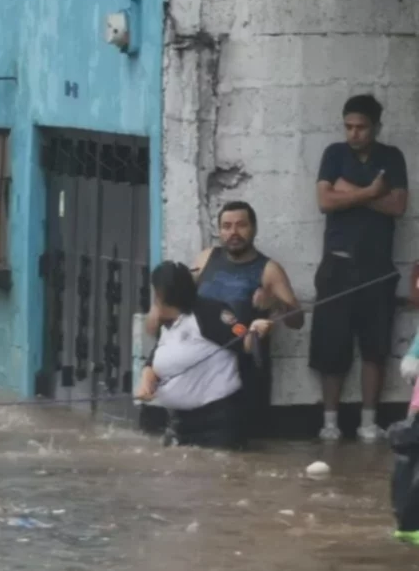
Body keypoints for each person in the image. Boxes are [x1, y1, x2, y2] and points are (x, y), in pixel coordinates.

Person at [144, 201, 304, 436]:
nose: (233, 233)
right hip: (200, 372)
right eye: (226, 226)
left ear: (254, 228)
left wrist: (277, 303)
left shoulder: (268, 269)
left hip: (243, 373)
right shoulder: (207, 258)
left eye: (241, 225)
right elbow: (179, 298)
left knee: (241, 456)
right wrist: (156, 311)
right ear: (219, 231)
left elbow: (297, 321)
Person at [311, 94, 409, 442]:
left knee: (375, 347)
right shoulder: (334, 154)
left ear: (376, 127)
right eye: (349, 126)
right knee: (331, 347)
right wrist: (370, 192)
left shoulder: (392, 157)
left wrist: (349, 193)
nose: (354, 133)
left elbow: (397, 205)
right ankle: (330, 422)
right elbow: (325, 200)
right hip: (337, 266)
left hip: (377, 269)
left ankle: (369, 422)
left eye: (361, 127)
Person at [137, 261, 271, 449]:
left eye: (157, 294)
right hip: (179, 423)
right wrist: (145, 381)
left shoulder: (209, 313)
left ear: (164, 295)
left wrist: (255, 330)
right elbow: (155, 358)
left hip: (216, 424)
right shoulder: (169, 322)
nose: (155, 299)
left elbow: (243, 344)